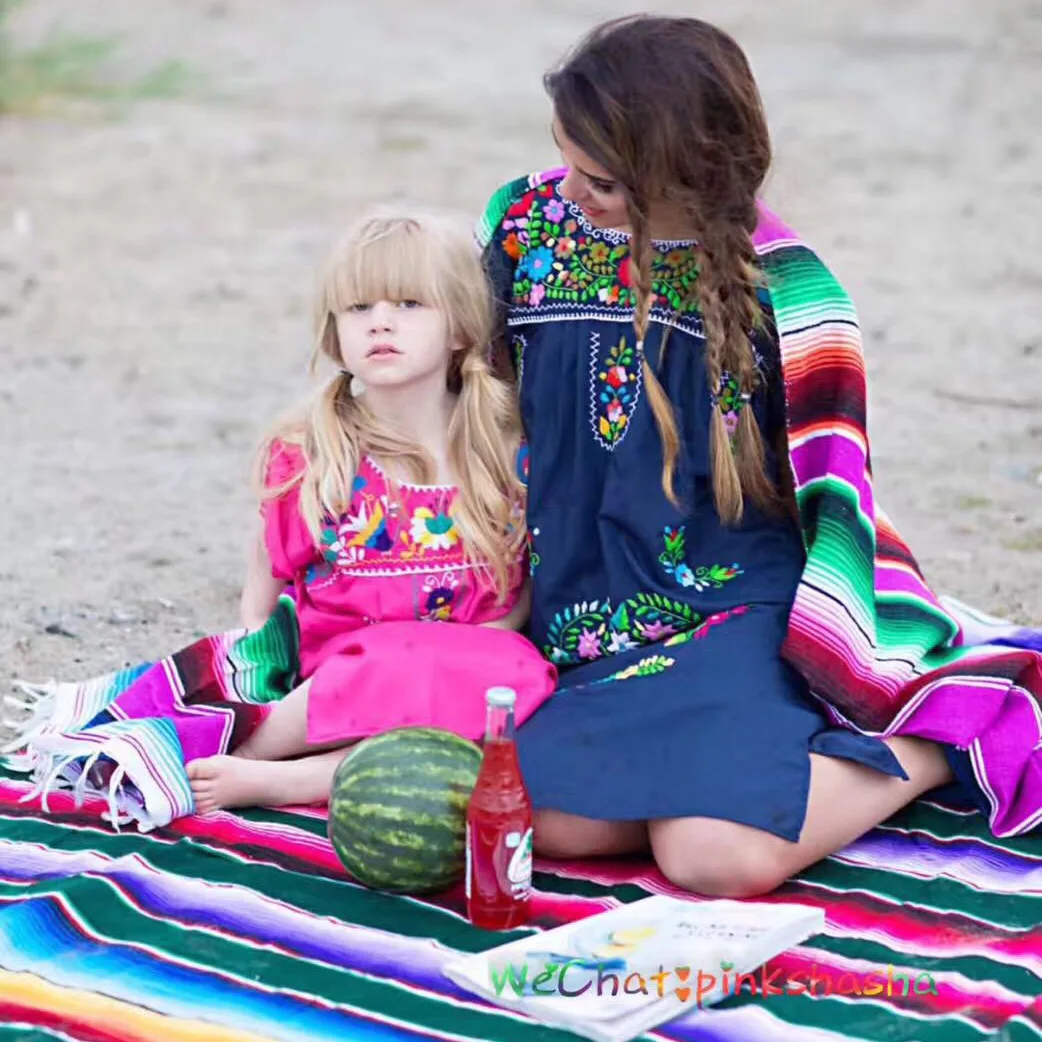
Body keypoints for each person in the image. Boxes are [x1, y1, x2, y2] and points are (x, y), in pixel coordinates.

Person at [476, 14, 1042, 898]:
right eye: (565, 159)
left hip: (732, 604)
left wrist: (848, 652)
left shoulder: (792, 293)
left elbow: (836, 502)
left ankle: (948, 731)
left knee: (712, 857)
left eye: (603, 181)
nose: (571, 191)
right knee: (550, 823)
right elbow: (477, 394)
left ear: (684, 171)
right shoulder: (527, 226)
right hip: (584, 608)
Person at [6, 209, 556, 828]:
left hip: (466, 679)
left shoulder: (505, 453)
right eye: (358, 308)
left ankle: (287, 778)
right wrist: (256, 653)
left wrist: (471, 649)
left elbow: (519, 592)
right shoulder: (317, 454)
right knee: (394, 664)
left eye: (408, 304)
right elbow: (264, 578)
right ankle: (253, 744)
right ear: (335, 332)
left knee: (512, 681)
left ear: (459, 327)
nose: (380, 321)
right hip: (344, 678)